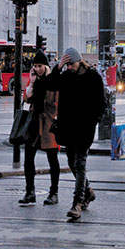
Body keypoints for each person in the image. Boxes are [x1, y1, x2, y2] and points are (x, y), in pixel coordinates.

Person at [46, 47, 106, 221]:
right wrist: (58, 67)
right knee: (71, 162)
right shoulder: (66, 76)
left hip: (85, 128)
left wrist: (94, 120)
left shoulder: (93, 77)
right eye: (67, 65)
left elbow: (101, 102)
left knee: (80, 164)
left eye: (71, 64)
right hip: (68, 127)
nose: (69, 67)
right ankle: (88, 191)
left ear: (80, 61)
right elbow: (50, 85)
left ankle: (77, 203)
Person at [19, 50, 60, 206]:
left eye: (40, 66)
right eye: (35, 66)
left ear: (46, 66)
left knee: (52, 159)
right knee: (28, 158)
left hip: (49, 124)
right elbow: (26, 99)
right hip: (34, 123)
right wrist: (31, 83)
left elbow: (56, 102)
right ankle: (30, 192)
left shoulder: (52, 81)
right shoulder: (34, 81)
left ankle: (54, 193)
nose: (37, 69)